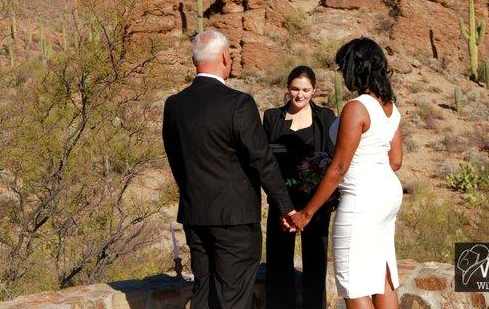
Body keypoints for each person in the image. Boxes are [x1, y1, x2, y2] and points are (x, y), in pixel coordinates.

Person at [162, 28, 296, 309]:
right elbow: (262, 159)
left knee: (203, 293)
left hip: (195, 216)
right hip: (235, 220)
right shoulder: (238, 103)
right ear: (224, 57)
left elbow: (176, 159)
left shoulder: (173, 105)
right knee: (233, 299)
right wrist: (286, 206)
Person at [291, 38, 404, 309]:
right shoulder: (390, 106)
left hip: (362, 199)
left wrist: (306, 214)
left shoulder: (357, 107)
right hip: (388, 193)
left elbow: (340, 167)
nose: (343, 75)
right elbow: (396, 160)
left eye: (344, 68)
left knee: (353, 281)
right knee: (381, 273)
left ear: (355, 68)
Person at [262, 66, 336, 309]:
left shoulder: (326, 118)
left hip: (315, 205)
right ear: (287, 88)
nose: (300, 95)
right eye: (295, 89)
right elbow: (265, 161)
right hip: (282, 204)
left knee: (315, 267)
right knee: (278, 266)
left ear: (314, 90)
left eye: (306, 90)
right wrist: (282, 203)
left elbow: (333, 159)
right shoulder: (272, 117)